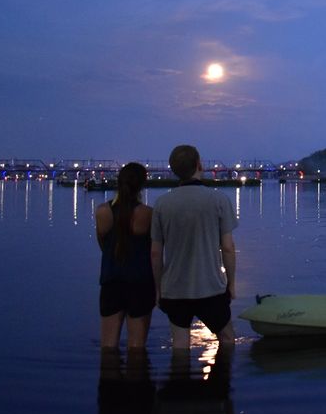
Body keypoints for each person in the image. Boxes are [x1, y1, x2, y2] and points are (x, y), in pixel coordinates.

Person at [151, 144, 238, 352]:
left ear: (174, 170)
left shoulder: (162, 204)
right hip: (210, 287)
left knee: (180, 344)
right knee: (227, 338)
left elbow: (155, 252)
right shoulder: (219, 200)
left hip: (174, 289)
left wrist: (158, 289)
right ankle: (221, 379)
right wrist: (231, 284)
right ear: (199, 165)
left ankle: (179, 381)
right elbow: (227, 247)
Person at [95, 162, 155, 350]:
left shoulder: (103, 211)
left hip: (111, 279)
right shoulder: (147, 214)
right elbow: (154, 249)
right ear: (142, 185)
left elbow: (103, 245)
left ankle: (109, 377)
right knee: (137, 347)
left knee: (108, 346)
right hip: (141, 282)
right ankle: (137, 377)